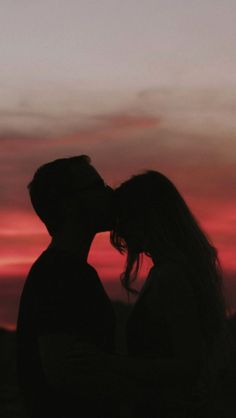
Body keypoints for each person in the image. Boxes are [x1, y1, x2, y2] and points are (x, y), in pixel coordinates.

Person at [109, 170, 231, 417]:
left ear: (146, 218)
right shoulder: (167, 271)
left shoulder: (171, 276)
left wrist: (113, 364)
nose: (120, 230)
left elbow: (188, 365)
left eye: (125, 218)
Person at [16, 155, 118, 418]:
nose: (109, 192)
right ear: (70, 205)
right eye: (98, 186)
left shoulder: (68, 271)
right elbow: (61, 374)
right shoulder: (59, 275)